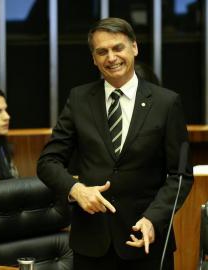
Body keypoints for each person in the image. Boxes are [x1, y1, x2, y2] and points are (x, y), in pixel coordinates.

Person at [37, 17, 193, 270]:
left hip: (144, 240)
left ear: (134, 47)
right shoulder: (79, 99)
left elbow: (180, 175)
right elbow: (48, 162)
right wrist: (76, 189)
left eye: (117, 48)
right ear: (94, 58)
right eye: (102, 52)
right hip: (91, 244)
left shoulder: (166, 103)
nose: (111, 57)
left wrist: (154, 219)